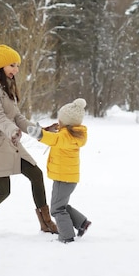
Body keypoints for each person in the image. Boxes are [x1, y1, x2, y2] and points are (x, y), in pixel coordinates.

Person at [0, 40, 58, 235]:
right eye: (12, 65)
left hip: (11, 142)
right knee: (3, 190)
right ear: (0, 64)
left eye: (17, 65)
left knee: (36, 174)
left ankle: (46, 223)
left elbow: (17, 117)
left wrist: (42, 132)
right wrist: (12, 130)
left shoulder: (5, 85)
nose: (16, 70)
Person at [27, 98, 91, 243]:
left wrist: (39, 134)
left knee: (57, 209)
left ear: (67, 123)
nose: (58, 122)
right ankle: (82, 223)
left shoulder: (65, 137)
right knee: (61, 205)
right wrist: (45, 130)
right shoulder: (72, 134)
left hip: (64, 178)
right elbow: (56, 137)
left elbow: (53, 140)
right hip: (67, 177)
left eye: (61, 120)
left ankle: (66, 236)